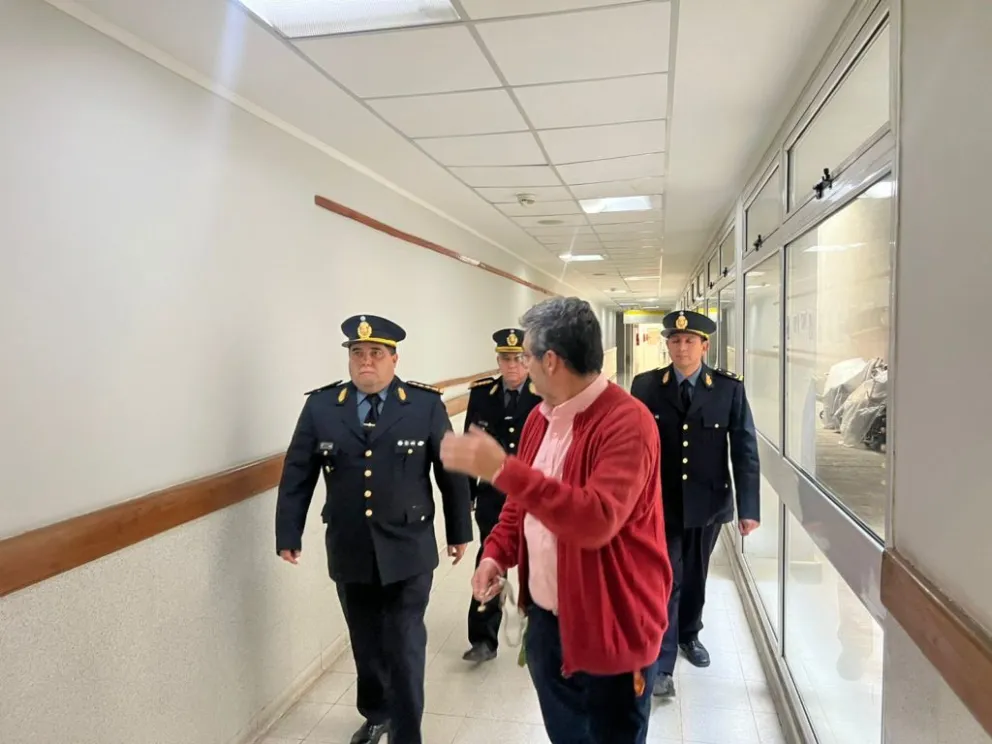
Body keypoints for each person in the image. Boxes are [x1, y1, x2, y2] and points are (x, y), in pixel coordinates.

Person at [439, 297, 672, 744]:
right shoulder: (539, 420)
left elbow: (596, 519)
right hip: (548, 624)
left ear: (550, 360)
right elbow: (519, 506)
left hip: (613, 629)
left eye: (525, 356)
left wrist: (502, 469)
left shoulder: (627, 422)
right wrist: (496, 554)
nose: (521, 365)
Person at [274, 314, 473, 744]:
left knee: (403, 645)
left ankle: (407, 733)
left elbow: (451, 471)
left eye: (376, 354)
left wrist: (459, 530)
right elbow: (297, 472)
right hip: (350, 548)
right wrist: (287, 532)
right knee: (365, 644)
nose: (366, 362)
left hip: (409, 548)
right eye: (358, 354)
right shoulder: (322, 407)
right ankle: (376, 713)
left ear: (394, 359)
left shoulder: (423, 406)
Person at [630, 309, 760, 699]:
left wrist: (749, 507)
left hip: (708, 503)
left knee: (696, 576)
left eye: (689, 341)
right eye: (674, 340)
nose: (681, 347)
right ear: (667, 344)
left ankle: (690, 634)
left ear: (705, 345)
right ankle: (662, 664)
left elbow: (744, 450)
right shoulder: (646, 386)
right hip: (660, 503)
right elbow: (632, 447)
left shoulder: (728, 389)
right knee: (666, 579)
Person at [462, 327, 542, 663]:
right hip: (494, 496)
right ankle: (483, 638)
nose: (512, 365)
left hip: (536, 495)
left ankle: (539, 635)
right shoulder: (482, 395)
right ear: (498, 360)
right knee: (490, 560)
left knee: (539, 564)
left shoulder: (544, 395)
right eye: (506, 359)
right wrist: (466, 495)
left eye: (519, 358)